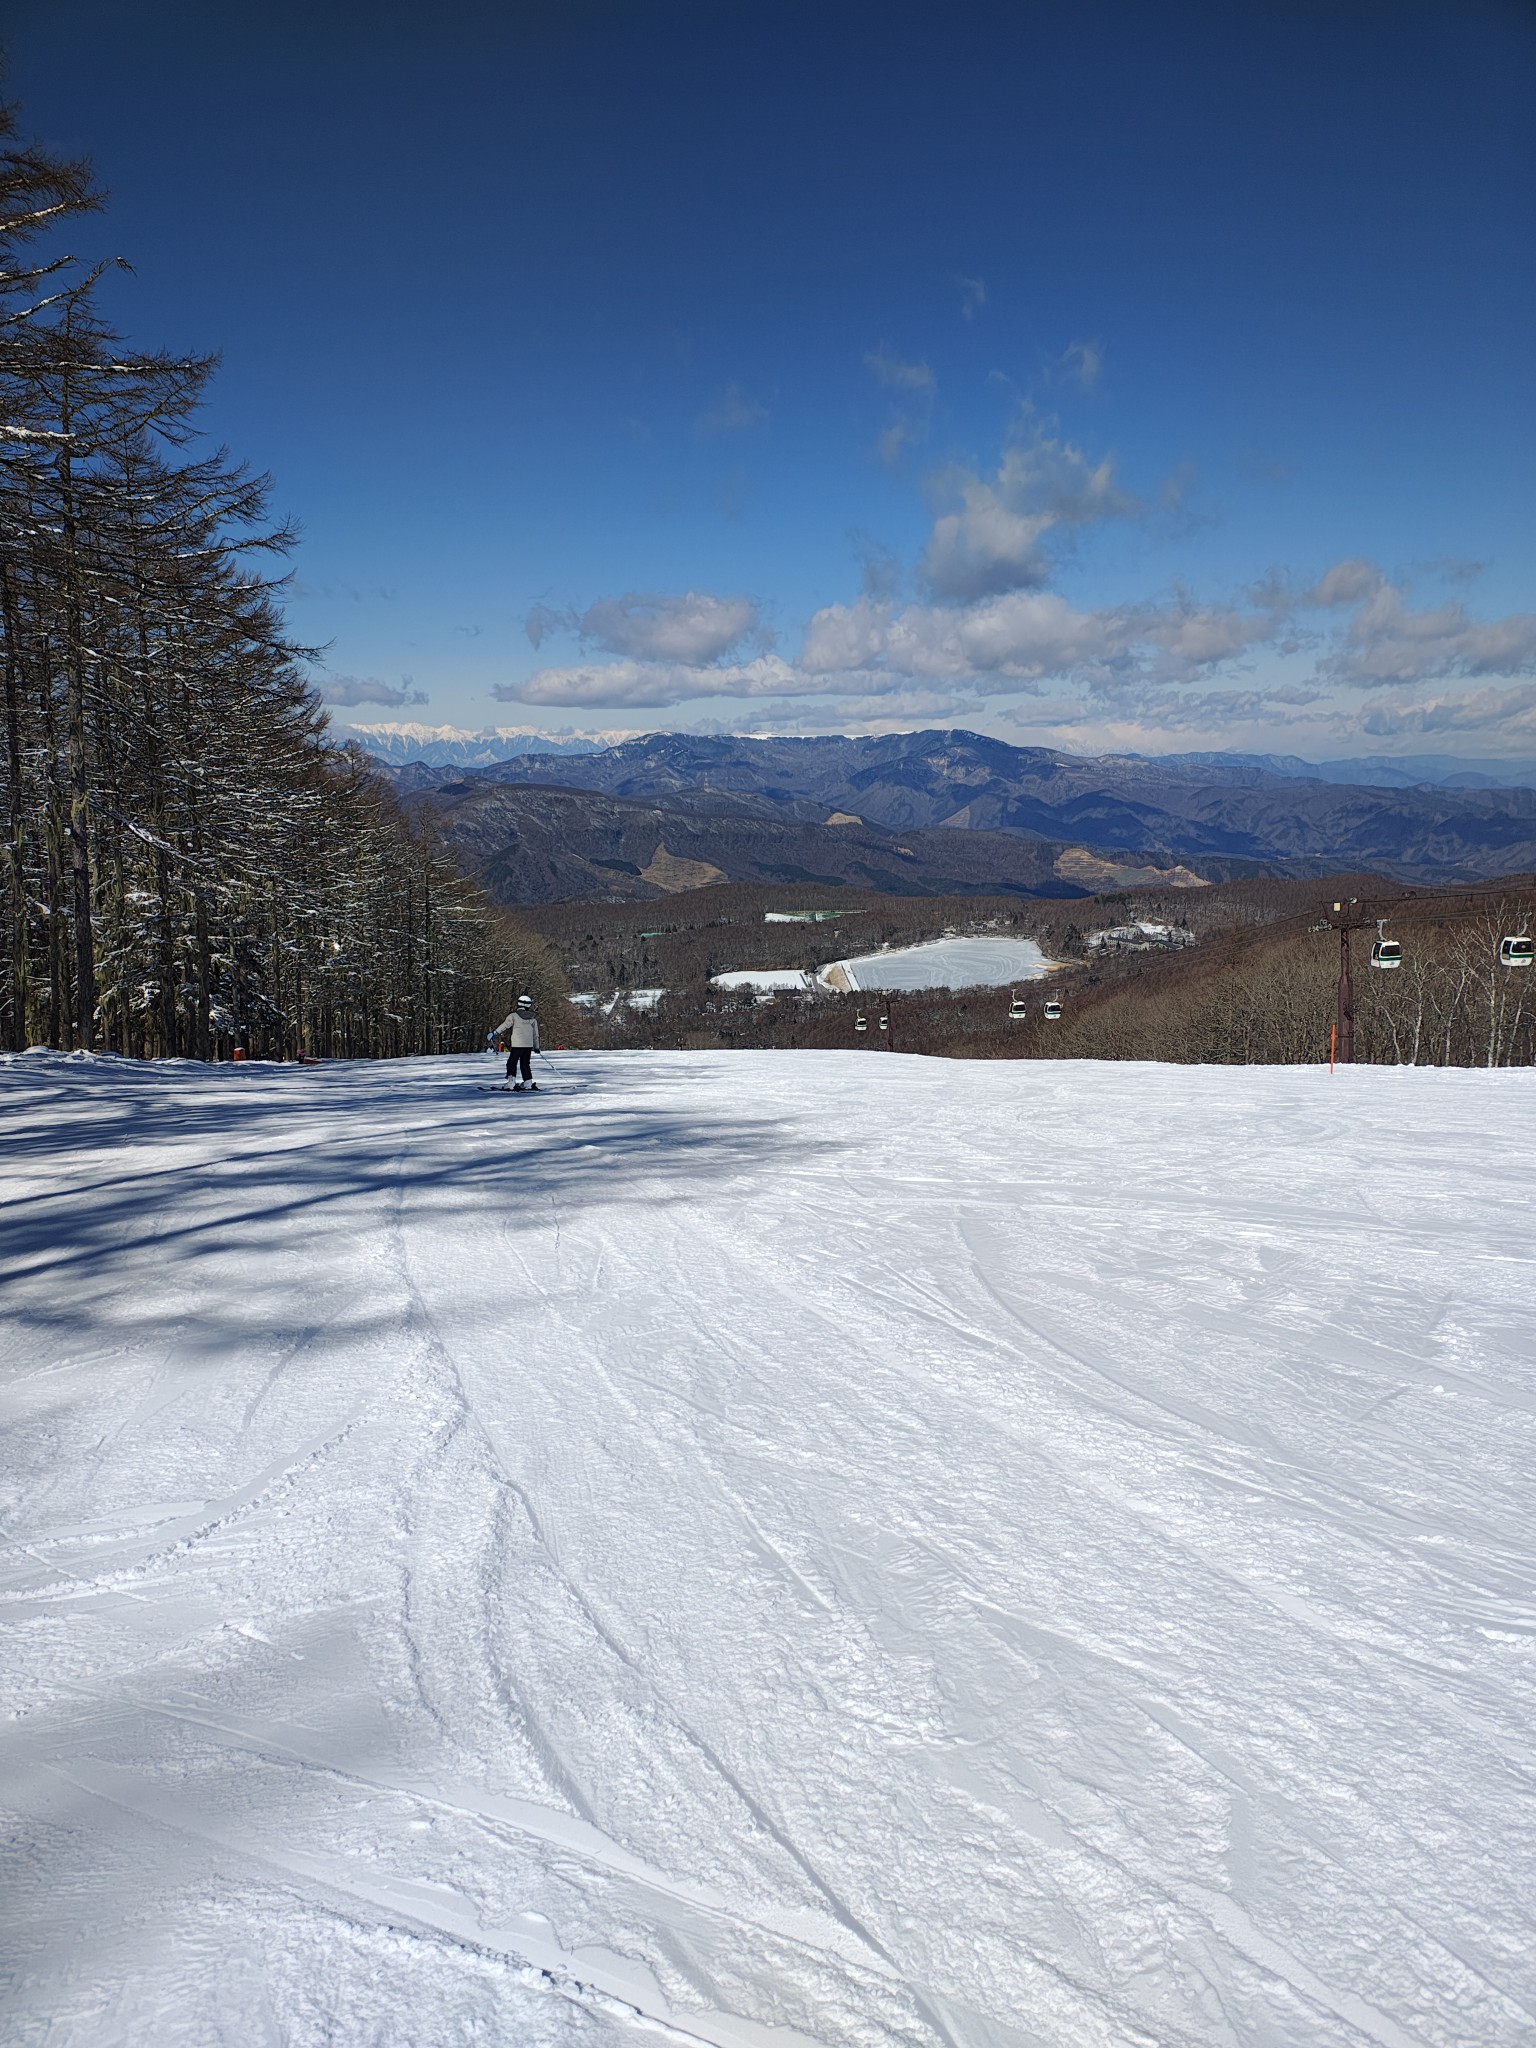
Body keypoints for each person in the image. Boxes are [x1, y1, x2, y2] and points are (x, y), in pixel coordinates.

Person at [491, 995, 541, 1088]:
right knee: (525, 1064)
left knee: (511, 1063)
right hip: (528, 1046)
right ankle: (528, 1082)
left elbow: (505, 1025)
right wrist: (536, 1046)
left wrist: (495, 1033)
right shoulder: (532, 1018)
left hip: (517, 1045)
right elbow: (535, 1034)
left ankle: (511, 1082)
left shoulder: (513, 1016)